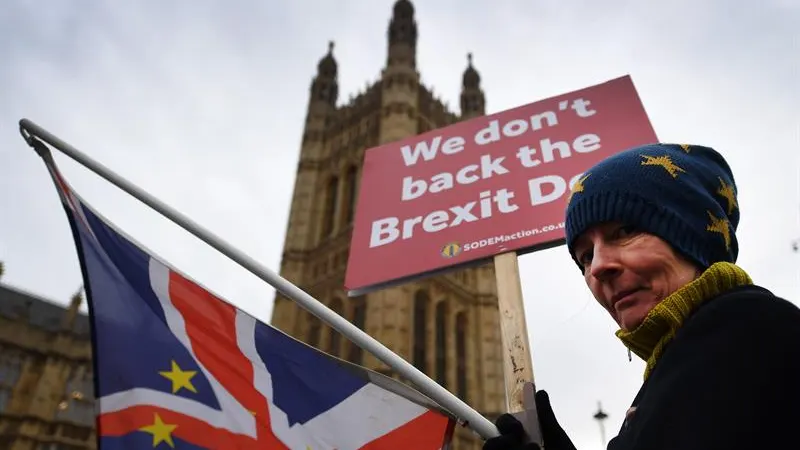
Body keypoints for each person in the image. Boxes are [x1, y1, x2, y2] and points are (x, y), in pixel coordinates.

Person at [483, 143, 800, 450]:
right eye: (585, 257)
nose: (598, 268)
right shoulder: (681, 360)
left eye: (624, 231)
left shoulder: (751, 332)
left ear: (691, 234)